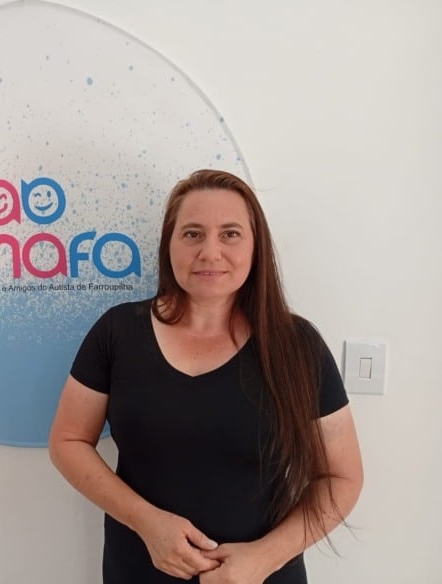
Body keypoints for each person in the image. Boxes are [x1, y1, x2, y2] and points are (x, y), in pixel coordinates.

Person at [48, 169, 363, 583]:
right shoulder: (117, 333)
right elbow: (68, 441)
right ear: (170, 244)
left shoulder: (297, 345)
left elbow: (342, 476)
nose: (210, 252)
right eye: (192, 234)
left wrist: (264, 558)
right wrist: (146, 522)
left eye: (230, 234)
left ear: (256, 246)